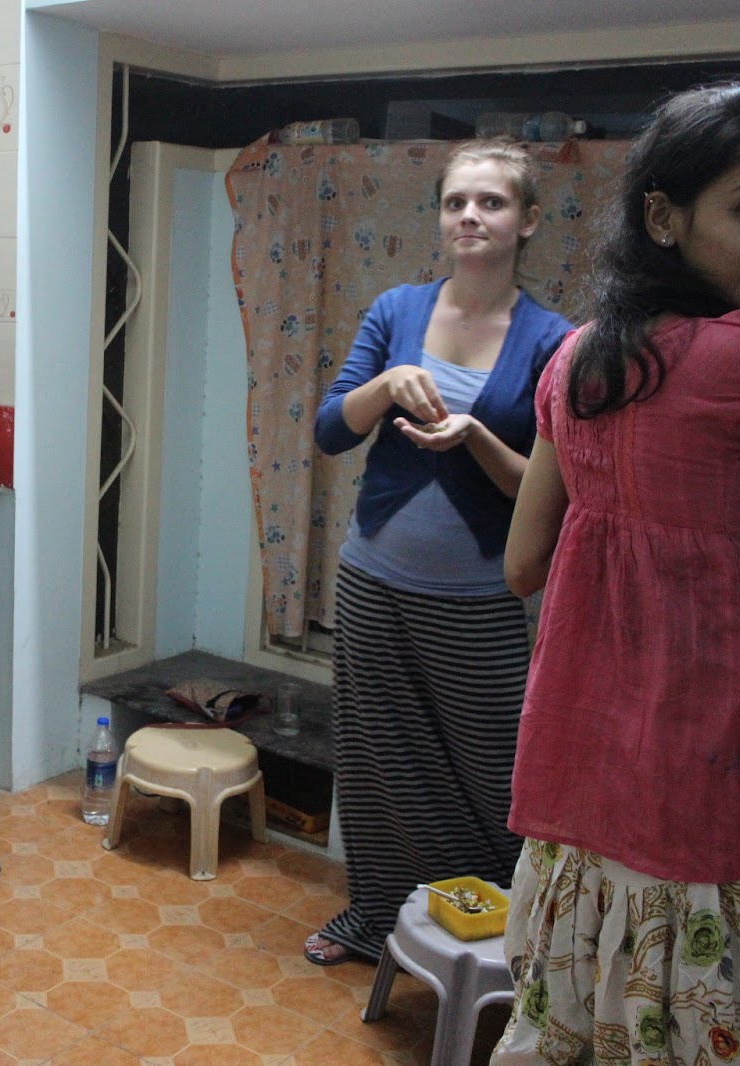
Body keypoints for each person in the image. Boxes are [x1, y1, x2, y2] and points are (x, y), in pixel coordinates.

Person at [496, 79, 740, 1062]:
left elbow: (522, 563)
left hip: (585, 769)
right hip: (720, 764)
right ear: (663, 217)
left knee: (585, 1025)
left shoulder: (575, 358)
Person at [308, 141, 572, 965]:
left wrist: (475, 436)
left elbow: (553, 491)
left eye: (492, 202)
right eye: (456, 201)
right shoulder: (397, 311)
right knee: (376, 756)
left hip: (481, 597)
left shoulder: (554, 342)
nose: (470, 216)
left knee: (497, 771)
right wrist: (385, 386)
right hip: (373, 577)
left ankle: (511, 942)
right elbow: (329, 430)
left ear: (528, 220)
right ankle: (376, 918)